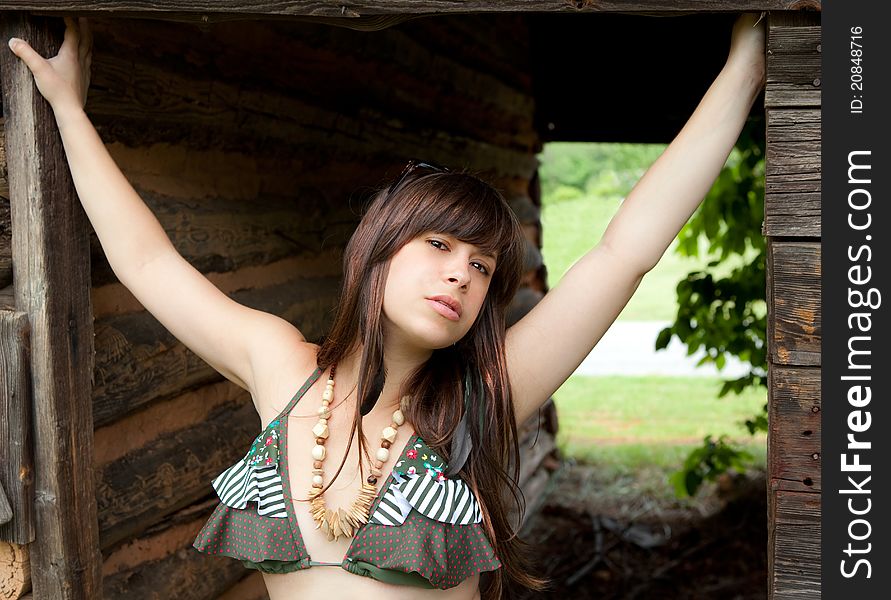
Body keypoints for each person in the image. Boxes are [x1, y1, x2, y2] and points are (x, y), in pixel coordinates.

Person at [8, 12, 766, 599]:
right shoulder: (280, 366)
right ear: (376, 251)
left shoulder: (485, 393)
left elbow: (622, 254)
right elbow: (147, 261)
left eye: (481, 265)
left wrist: (744, 68)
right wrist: (69, 109)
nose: (461, 275)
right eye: (438, 245)